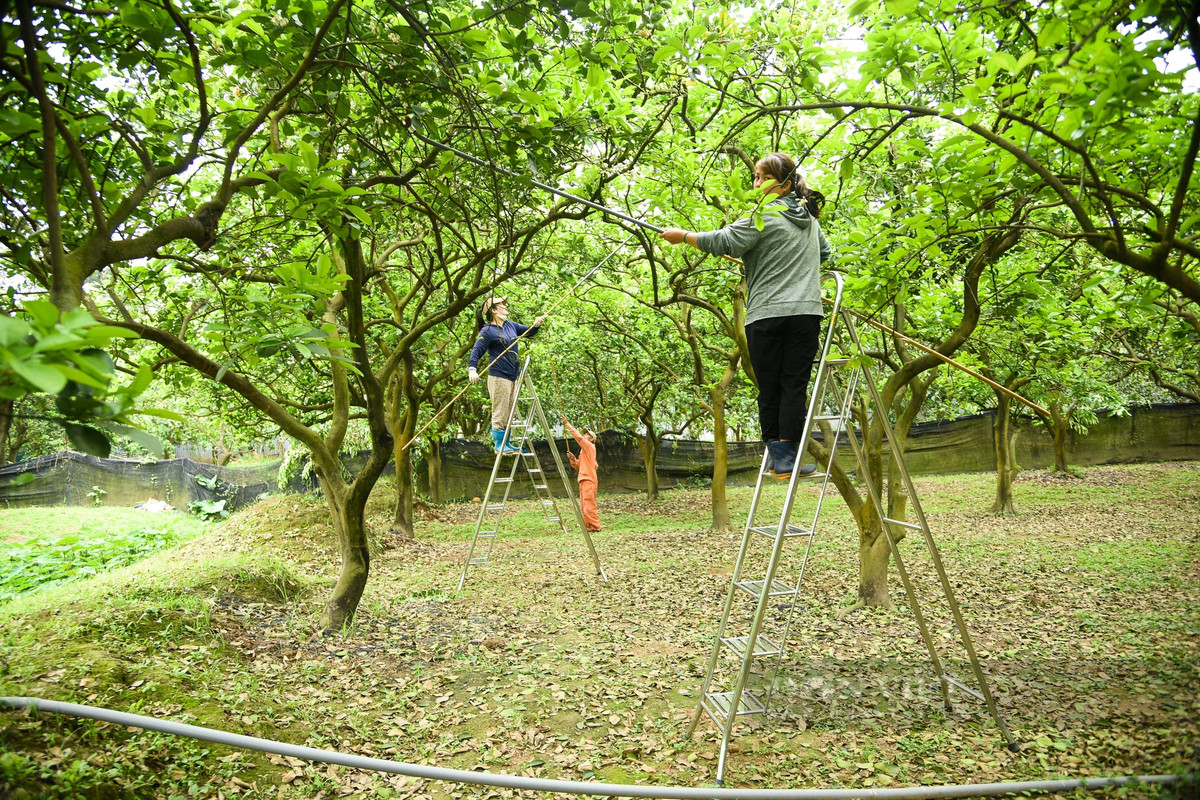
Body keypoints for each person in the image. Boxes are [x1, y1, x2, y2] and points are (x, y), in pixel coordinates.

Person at [660, 152, 831, 478]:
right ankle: (784, 457)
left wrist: (682, 236)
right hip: (806, 314)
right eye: (754, 177)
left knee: (771, 387)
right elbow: (825, 252)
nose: (755, 184)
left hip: (767, 315)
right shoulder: (809, 218)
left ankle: (780, 457)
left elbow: (725, 241)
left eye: (762, 177)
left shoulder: (762, 214)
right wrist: (791, 263)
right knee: (793, 385)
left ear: (783, 185)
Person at [468, 296, 545, 453]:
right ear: (494, 311)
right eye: (502, 305)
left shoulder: (510, 325)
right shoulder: (488, 330)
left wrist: (536, 325)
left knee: (509, 411)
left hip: (512, 376)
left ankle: (506, 443)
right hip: (498, 376)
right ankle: (499, 445)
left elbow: (528, 332)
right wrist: (472, 369)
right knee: (500, 410)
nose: (505, 307)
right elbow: (477, 349)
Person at [562, 416, 601, 532]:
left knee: (589, 505)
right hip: (584, 479)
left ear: (591, 439)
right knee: (584, 506)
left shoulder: (589, 446)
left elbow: (578, 438)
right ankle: (590, 527)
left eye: (587, 434)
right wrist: (573, 459)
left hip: (589, 479)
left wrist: (567, 424)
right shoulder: (584, 451)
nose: (585, 435)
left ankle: (595, 527)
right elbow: (579, 466)